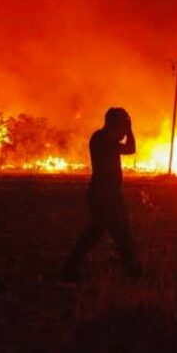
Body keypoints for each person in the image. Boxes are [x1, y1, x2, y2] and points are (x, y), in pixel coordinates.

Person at [62, 107, 142, 281]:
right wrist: (129, 130)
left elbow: (129, 148)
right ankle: (133, 270)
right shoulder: (103, 139)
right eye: (121, 125)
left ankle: (133, 270)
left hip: (107, 194)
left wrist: (127, 129)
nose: (123, 131)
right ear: (114, 124)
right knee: (114, 232)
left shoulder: (102, 138)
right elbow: (130, 148)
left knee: (112, 232)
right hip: (105, 195)